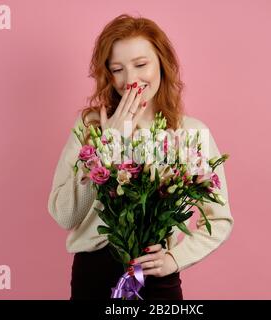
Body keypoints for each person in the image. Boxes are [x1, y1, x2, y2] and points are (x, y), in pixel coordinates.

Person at [47, 14, 235, 300]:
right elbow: (65, 215)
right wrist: (108, 144)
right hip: (94, 276)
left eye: (141, 64)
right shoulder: (90, 126)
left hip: (156, 278)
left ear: (162, 62)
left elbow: (219, 219)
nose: (131, 80)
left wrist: (175, 258)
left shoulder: (191, 133)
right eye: (118, 69)